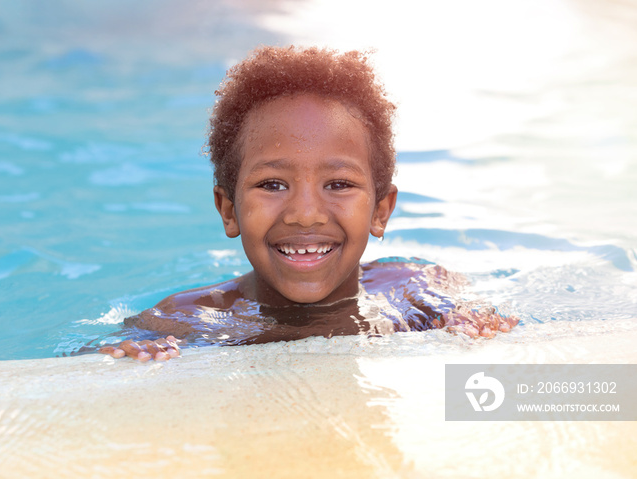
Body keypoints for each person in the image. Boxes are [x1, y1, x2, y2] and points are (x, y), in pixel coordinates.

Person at [99, 46, 518, 362]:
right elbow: (89, 369)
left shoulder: (414, 290)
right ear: (228, 210)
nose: (305, 213)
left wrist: (474, 324)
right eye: (273, 183)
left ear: (380, 211)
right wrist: (138, 356)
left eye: (337, 183)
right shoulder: (182, 320)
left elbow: (479, 325)